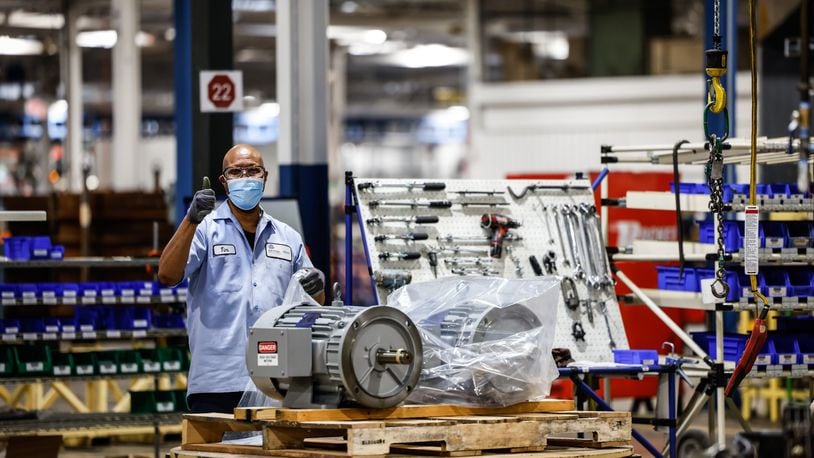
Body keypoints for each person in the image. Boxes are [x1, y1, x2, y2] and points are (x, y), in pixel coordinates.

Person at [158, 144, 325, 413]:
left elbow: (314, 304)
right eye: (236, 172)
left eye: (253, 171)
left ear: (265, 177)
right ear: (224, 182)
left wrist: (318, 285)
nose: (246, 178)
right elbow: (167, 275)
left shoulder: (288, 237)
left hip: (274, 378)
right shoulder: (205, 230)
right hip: (218, 380)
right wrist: (190, 220)